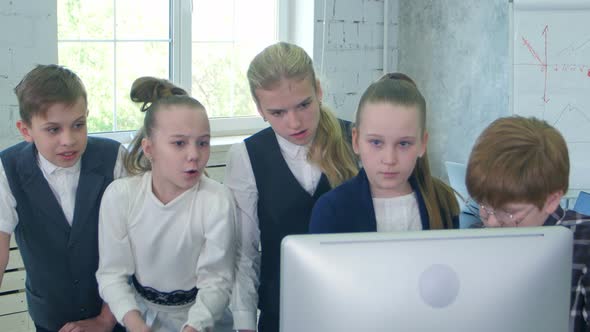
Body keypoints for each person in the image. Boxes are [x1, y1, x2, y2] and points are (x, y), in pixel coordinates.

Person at [224, 42, 359, 332]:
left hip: (352, 307)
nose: (294, 122)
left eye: (304, 104)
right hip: (280, 311)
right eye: (277, 113)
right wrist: (245, 323)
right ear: (259, 109)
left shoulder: (359, 140)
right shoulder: (246, 156)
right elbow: (243, 253)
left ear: (319, 91)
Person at [95, 77, 236, 332]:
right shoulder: (121, 197)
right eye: (179, 143)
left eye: (202, 142)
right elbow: (111, 275)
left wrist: (194, 327)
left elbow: (217, 281)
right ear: (149, 149)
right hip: (141, 319)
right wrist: (135, 323)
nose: (194, 154)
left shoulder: (216, 200)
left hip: (204, 320)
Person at [0, 64, 126, 332]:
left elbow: (134, 244)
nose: (69, 140)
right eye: (53, 129)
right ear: (25, 130)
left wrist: (106, 319)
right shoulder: (6, 169)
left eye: (78, 125)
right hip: (50, 318)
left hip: (116, 314)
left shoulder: (114, 158)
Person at [465, 115, 590, 332]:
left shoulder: (584, 243)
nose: (492, 222)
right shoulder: (477, 240)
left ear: (551, 199)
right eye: (484, 206)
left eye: (509, 213)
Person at [309, 73, 459, 233]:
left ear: (423, 143)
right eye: (376, 142)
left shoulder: (443, 201)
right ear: (355, 140)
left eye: (403, 143)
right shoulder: (331, 210)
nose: (389, 159)